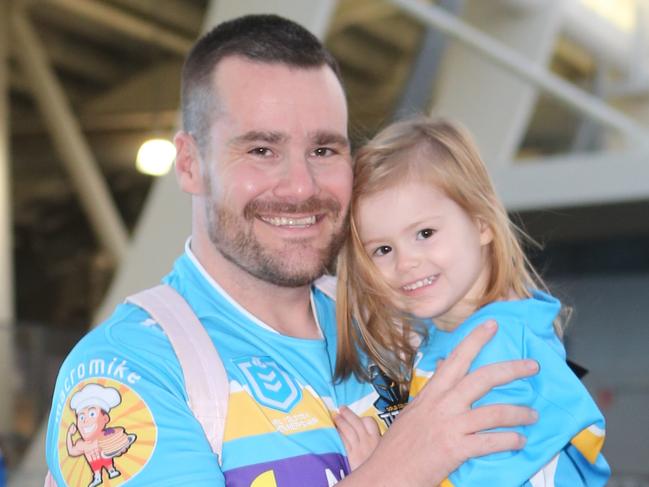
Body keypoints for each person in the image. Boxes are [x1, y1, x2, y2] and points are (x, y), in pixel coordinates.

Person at [45, 15, 540, 486]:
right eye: (262, 150)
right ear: (191, 164)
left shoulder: (396, 326)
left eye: (324, 150)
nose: (301, 186)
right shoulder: (130, 369)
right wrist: (403, 466)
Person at [335, 116, 611, 485]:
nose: (406, 262)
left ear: (481, 224)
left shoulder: (495, 344)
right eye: (383, 249)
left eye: (425, 233)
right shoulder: (455, 336)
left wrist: (382, 470)